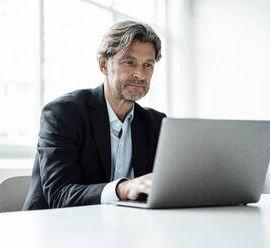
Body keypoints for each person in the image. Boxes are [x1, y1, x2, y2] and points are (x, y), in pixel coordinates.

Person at [23, 20, 166, 209]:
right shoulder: (62, 114)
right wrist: (122, 189)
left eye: (148, 65)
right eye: (129, 62)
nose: (140, 74)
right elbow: (59, 196)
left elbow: (163, 188)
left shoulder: (156, 123)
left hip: (126, 228)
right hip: (57, 228)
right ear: (103, 66)